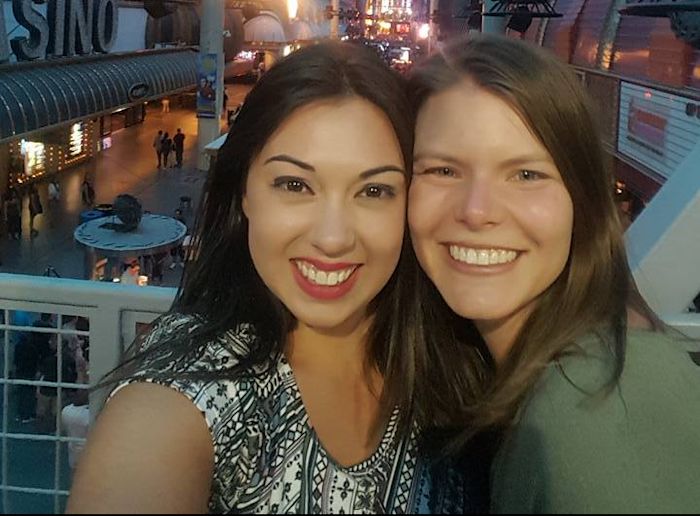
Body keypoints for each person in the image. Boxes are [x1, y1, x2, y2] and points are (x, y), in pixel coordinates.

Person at [67, 42, 471, 514]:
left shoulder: (452, 357)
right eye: (295, 185)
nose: (333, 238)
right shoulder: (193, 392)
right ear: (244, 193)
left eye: (374, 191)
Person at [407, 34, 700, 513]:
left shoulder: (601, 410)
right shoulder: (500, 369)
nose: (476, 211)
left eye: (526, 175)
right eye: (443, 171)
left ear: (582, 202)